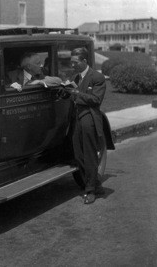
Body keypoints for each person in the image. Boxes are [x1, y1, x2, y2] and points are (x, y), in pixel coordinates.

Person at [65, 47, 106, 204]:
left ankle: (90, 191)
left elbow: (96, 100)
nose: (73, 65)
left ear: (84, 61)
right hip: (77, 118)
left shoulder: (97, 77)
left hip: (89, 118)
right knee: (78, 155)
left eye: (75, 62)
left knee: (89, 155)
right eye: (71, 62)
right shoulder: (76, 77)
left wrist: (75, 94)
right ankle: (95, 184)